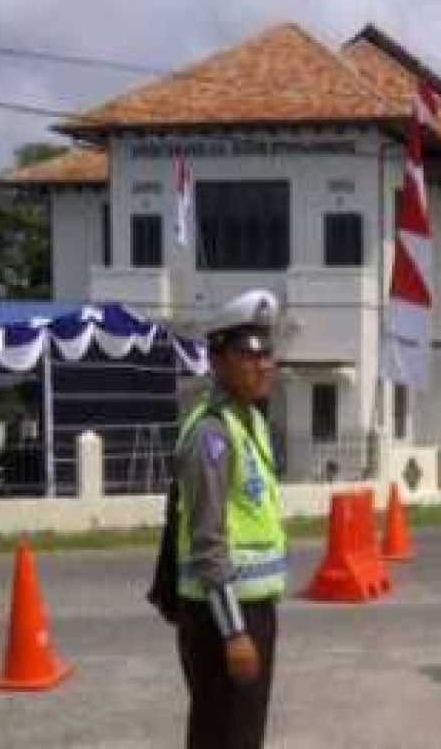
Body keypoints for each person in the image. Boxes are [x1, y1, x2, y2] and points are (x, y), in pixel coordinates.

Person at [175, 290, 285, 749]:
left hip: (254, 609)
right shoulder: (212, 433)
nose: (262, 364)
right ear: (217, 360)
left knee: (244, 734)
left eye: (267, 352)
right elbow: (207, 539)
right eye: (247, 353)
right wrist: (234, 630)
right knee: (222, 736)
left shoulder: (251, 423)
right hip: (221, 618)